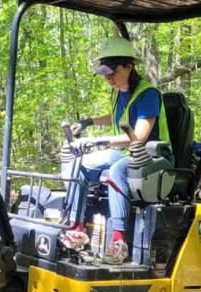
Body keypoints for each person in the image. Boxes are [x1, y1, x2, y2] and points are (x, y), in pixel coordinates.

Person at [61, 36, 171, 264]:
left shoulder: (148, 94)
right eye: (105, 73)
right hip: (126, 153)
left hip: (152, 157)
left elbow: (138, 136)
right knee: (79, 163)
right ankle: (77, 227)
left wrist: (99, 141)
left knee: (117, 170)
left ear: (129, 66)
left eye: (113, 71)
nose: (108, 78)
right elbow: (117, 116)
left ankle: (119, 241)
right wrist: (88, 122)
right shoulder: (120, 93)